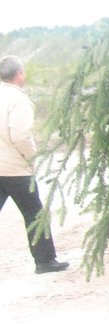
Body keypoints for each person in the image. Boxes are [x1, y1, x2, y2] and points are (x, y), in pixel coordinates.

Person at [0, 55, 68, 274]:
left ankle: (45, 260)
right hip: (15, 168)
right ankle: (45, 261)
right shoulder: (17, 99)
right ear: (20, 74)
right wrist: (32, 157)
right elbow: (20, 135)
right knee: (35, 214)